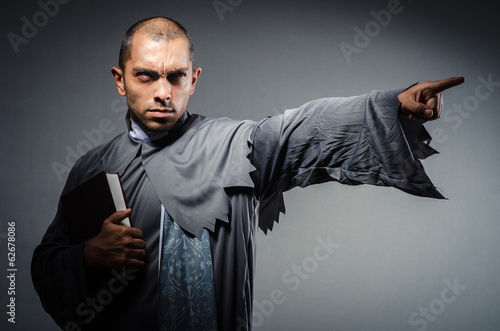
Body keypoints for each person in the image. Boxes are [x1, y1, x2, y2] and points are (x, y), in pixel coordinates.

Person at [31, 16, 465, 331]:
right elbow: (44, 262)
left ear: (194, 79)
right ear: (120, 80)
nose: (163, 92)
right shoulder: (91, 168)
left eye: (175, 77)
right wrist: (87, 255)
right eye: (146, 76)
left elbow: (305, 128)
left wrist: (393, 104)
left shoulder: (238, 145)